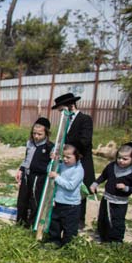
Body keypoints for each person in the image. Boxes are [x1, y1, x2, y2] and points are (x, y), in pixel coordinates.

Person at [52, 92, 95, 230]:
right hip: (66, 161)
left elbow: (85, 141)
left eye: (62, 110)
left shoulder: (85, 119)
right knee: (65, 185)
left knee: (80, 191)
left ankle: (78, 220)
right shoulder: (65, 122)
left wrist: (67, 147)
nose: (60, 113)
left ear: (71, 106)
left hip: (80, 161)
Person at [89, 142, 132, 243]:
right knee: (103, 218)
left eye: (125, 159)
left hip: (120, 203)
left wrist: (126, 188)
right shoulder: (112, 166)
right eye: (119, 158)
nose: (121, 161)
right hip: (106, 198)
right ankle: (102, 236)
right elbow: (104, 175)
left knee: (117, 221)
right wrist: (95, 183)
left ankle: (116, 241)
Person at [15, 117, 54, 228]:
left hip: (39, 178)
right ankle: (21, 223)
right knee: (22, 200)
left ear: (46, 133)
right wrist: (21, 170)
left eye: (39, 134)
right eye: (34, 133)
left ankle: (32, 224)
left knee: (34, 201)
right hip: (27, 175)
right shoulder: (30, 143)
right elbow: (26, 158)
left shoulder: (50, 147)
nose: (36, 136)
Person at [46, 142, 84, 247]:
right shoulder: (62, 165)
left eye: (69, 157)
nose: (65, 159)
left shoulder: (78, 170)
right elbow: (49, 171)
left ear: (77, 157)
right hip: (58, 202)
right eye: (64, 157)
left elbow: (70, 186)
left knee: (69, 228)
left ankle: (68, 246)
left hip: (71, 205)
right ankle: (54, 242)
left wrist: (57, 177)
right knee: (55, 224)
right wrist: (52, 161)